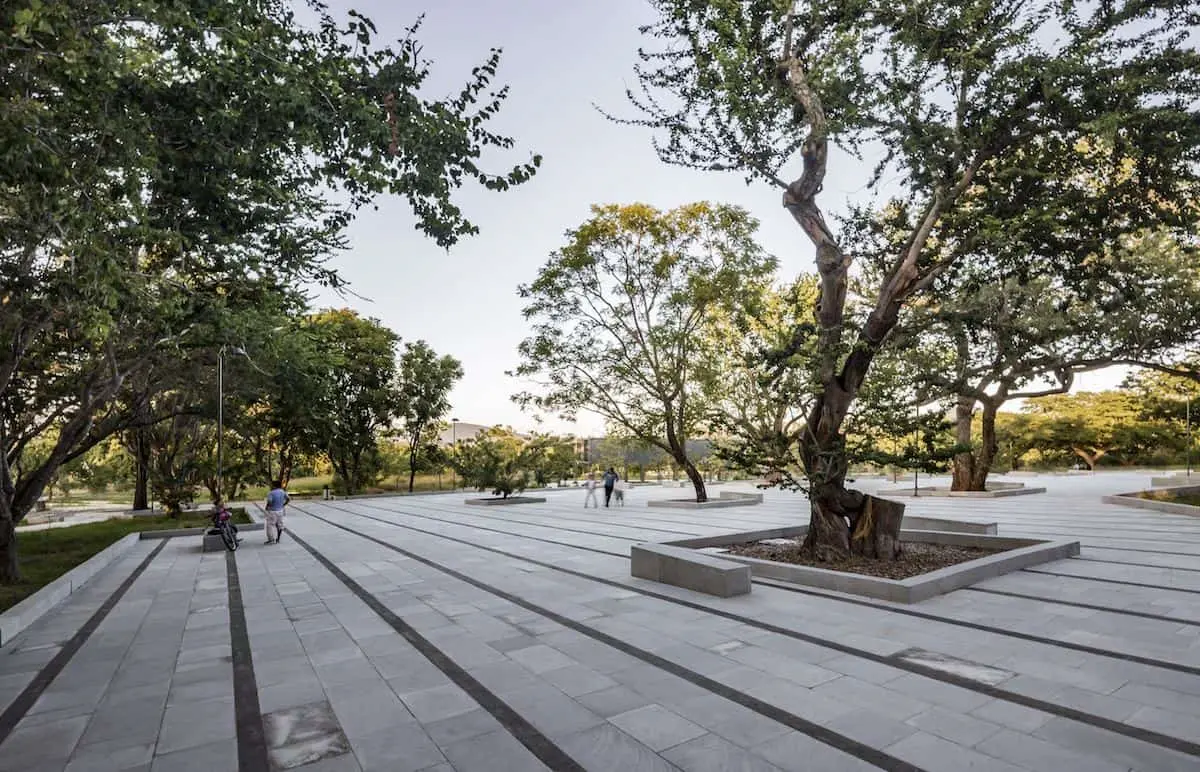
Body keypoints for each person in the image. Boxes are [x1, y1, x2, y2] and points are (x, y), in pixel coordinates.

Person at [264, 480, 290, 544]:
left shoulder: (271, 493)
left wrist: (267, 507)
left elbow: (270, 502)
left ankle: (271, 539)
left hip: (272, 511)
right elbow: (288, 499)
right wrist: (283, 504)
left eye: (272, 485)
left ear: (274, 485)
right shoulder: (282, 491)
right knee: (280, 525)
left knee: (270, 525)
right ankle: (278, 539)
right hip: (280, 511)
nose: (271, 486)